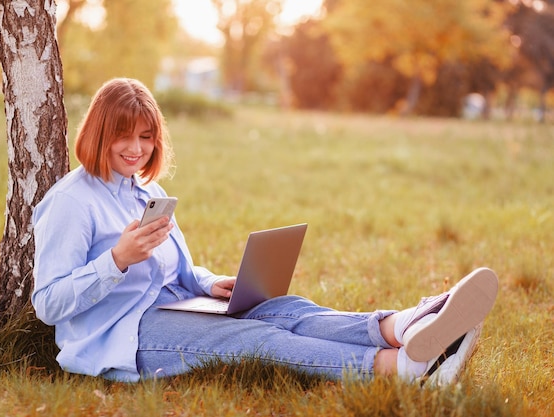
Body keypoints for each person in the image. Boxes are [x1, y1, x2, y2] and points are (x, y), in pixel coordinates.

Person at [31, 78, 499, 386]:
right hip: (126, 335)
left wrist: (208, 283)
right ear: (99, 133)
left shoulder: (143, 190)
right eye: (124, 136)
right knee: (257, 340)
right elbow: (48, 305)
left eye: (146, 137)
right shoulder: (72, 202)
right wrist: (117, 260)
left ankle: (405, 327)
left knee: (281, 309)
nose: (136, 149)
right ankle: (404, 369)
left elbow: (172, 271)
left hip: (169, 304)